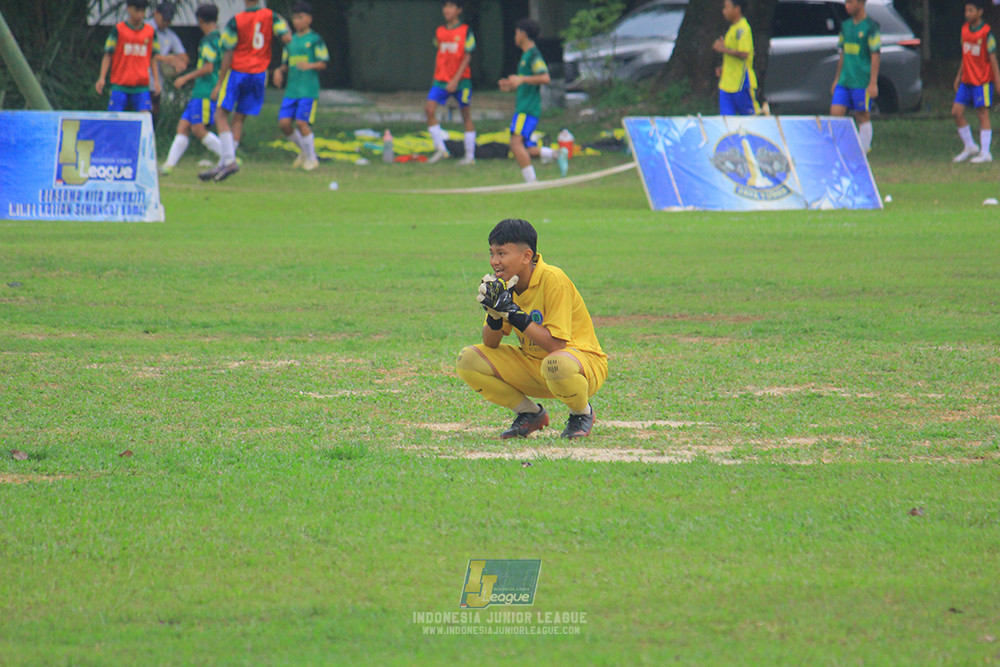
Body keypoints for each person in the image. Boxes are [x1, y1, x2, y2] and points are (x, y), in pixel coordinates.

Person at [457, 218, 608, 439]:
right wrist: (494, 314)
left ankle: (581, 413)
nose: (494, 261)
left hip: (580, 366)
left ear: (527, 256)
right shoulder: (509, 283)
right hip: (537, 366)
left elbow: (556, 345)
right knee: (468, 360)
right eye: (492, 253)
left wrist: (513, 312)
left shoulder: (554, 279)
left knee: (555, 363)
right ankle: (529, 413)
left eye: (502, 253)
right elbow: (491, 343)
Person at [199, 0, 292, 182]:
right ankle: (224, 162)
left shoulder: (237, 20)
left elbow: (228, 51)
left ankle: (229, 160)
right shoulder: (271, 16)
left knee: (220, 114)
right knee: (239, 118)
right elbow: (287, 38)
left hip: (239, 72)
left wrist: (219, 83)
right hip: (259, 74)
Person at [498, 19, 563, 183]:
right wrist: (512, 85)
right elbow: (527, 82)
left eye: (516, 32)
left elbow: (545, 77)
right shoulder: (526, 55)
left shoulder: (533, 55)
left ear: (523, 34)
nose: (515, 36)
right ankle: (556, 154)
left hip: (526, 109)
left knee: (515, 144)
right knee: (526, 147)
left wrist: (521, 79)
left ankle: (531, 182)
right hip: (526, 107)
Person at [160, 4, 223, 175]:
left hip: (205, 91)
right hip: (200, 91)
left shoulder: (209, 41)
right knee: (183, 126)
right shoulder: (220, 38)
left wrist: (185, 77)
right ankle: (168, 165)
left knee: (198, 129)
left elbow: (209, 67)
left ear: (200, 20)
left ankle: (228, 157)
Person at [273, 2, 329, 172]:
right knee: (284, 123)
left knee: (301, 122)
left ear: (309, 19)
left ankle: (312, 159)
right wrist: (278, 71)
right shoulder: (291, 42)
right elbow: (286, 64)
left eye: (300, 17)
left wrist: (310, 66)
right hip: (292, 90)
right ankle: (304, 151)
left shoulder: (315, 40)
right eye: (295, 18)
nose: (297, 21)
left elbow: (323, 62)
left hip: (308, 90)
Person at [425, 0, 477, 165]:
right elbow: (439, 54)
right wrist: (436, 75)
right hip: (441, 79)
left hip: (462, 81)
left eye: (451, 6)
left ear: (459, 10)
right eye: (445, 6)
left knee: (465, 114)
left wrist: (455, 80)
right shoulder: (439, 31)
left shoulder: (466, 31)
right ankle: (441, 149)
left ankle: (470, 156)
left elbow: (467, 56)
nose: (447, 10)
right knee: (429, 109)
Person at [952, 0, 1000, 163]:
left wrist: (997, 81)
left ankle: (985, 153)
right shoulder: (964, 30)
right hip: (967, 80)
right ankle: (970, 146)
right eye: (966, 11)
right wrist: (959, 76)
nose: (967, 14)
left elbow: (993, 60)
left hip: (982, 81)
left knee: (982, 114)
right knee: (956, 112)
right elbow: (965, 56)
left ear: (979, 12)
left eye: (971, 11)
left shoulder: (986, 33)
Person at [830, 0, 880, 153]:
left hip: (861, 82)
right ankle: (839, 150)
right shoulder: (845, 26)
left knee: (862, 115)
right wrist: (837, 78)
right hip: (845, 80)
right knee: (835, 113)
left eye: (850, 2)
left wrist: (873, 82)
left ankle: (863, 150)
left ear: (861, 3)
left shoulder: (871, 27)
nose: (847, 6)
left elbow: (875, 55)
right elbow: (842, 55)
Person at [95, 0, 161, 113]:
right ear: (129, 9)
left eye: (143, 11)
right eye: (137, 10)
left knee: (145, 117)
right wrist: (102, 78)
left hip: (141, 86)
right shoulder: (118, 30)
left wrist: (156, 81)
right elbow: (108, 55)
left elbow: (153, 58)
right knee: (114, 118)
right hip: (120, 84)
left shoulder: (150, 32)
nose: (140, 15)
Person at [712, 0, 759, 116]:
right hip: (726, 83)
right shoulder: (732, 29)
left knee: (750, 119)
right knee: (726, 120)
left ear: (737, 9)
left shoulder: (743, 29)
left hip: (741, 82)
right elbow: (732, 56)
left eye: (727, 8)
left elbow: (745, 54)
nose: (724, 11)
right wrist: (723, 68)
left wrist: (722, 49)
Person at [147, 2, 189, 119]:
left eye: (169, 20)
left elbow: (183, 56)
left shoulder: (170, 35)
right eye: (164, 19)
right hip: (139, 78)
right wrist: (166, 58)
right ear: (156, 14)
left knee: (153, 112)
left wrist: (178, 63)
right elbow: (149, 55)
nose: (166, 23)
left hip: (156, 81)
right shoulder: (145, 28)